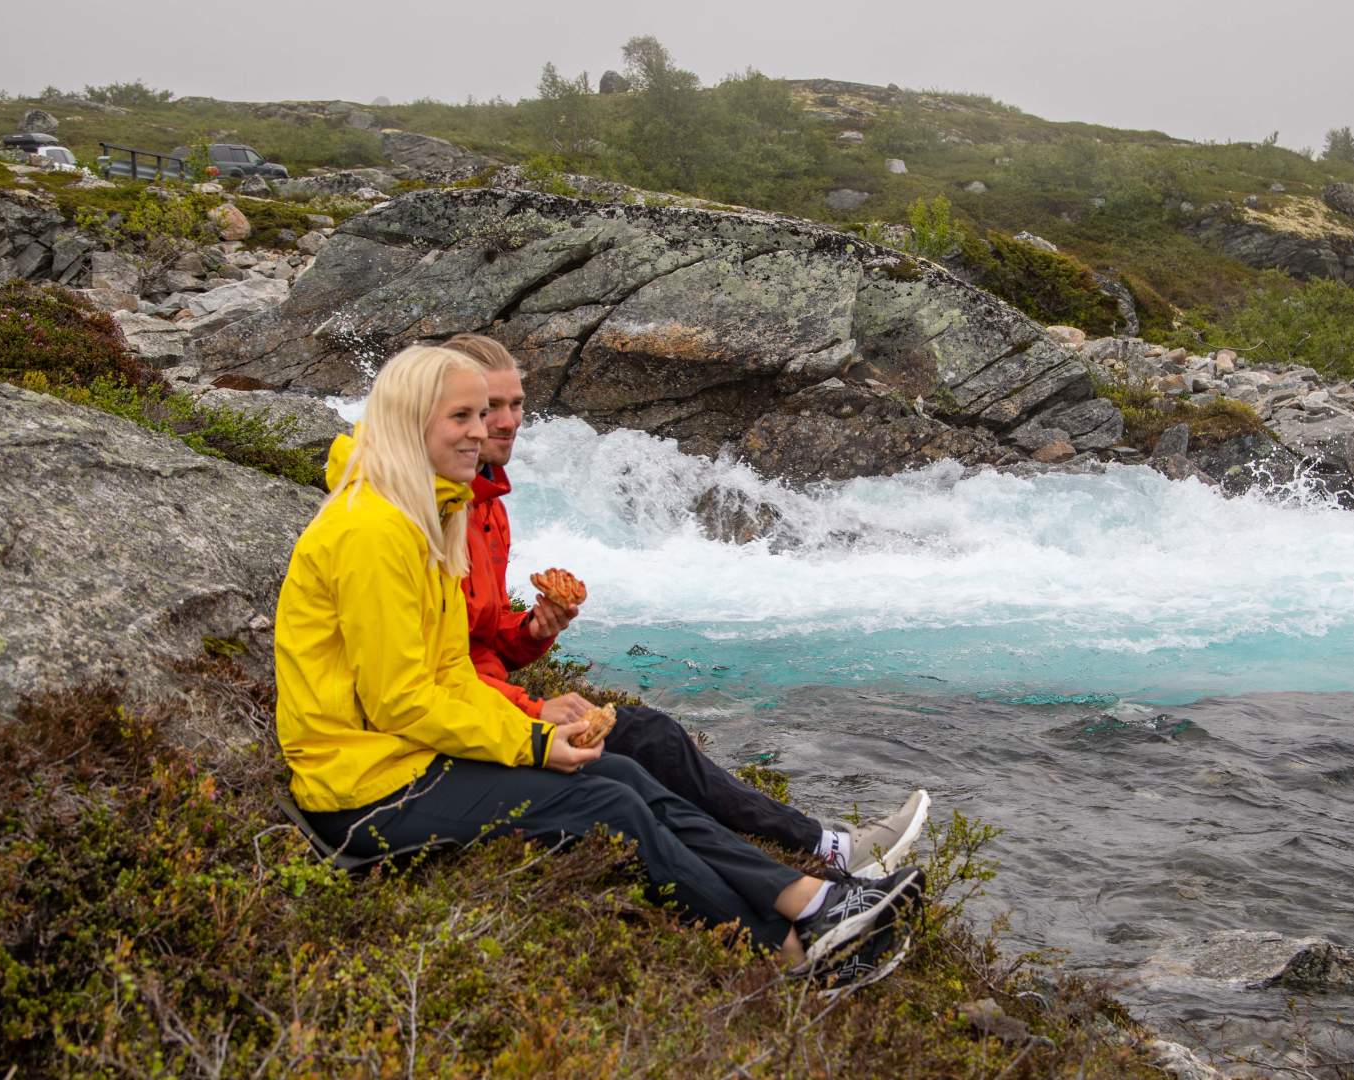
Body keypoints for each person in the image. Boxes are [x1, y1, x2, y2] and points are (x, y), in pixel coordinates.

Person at [274, 344, 921, 988]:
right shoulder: (373, 531)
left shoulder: (428, 516)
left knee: (619, 771)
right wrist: (531, 739)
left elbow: (450, 676)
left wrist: (533, 728)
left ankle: (811, 898)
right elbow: (401, 702)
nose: (481, 431)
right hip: (363, 795)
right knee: (607, 802)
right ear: (410, 422)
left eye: (489, 413)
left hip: (405, 761)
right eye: (463, 417)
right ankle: (790, 955)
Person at [436, 333, 931, 878]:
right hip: (466, 724)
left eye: (515, 405)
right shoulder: (434, 516)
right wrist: (530, 714)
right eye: (486, 409)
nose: (505, 422)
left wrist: (532, 630)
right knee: (633, 761)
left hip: (485, 705)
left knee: (652, 736)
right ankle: (813, 868)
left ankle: (821, 854)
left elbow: (480, 644)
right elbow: (433, 672)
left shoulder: (485, 504)